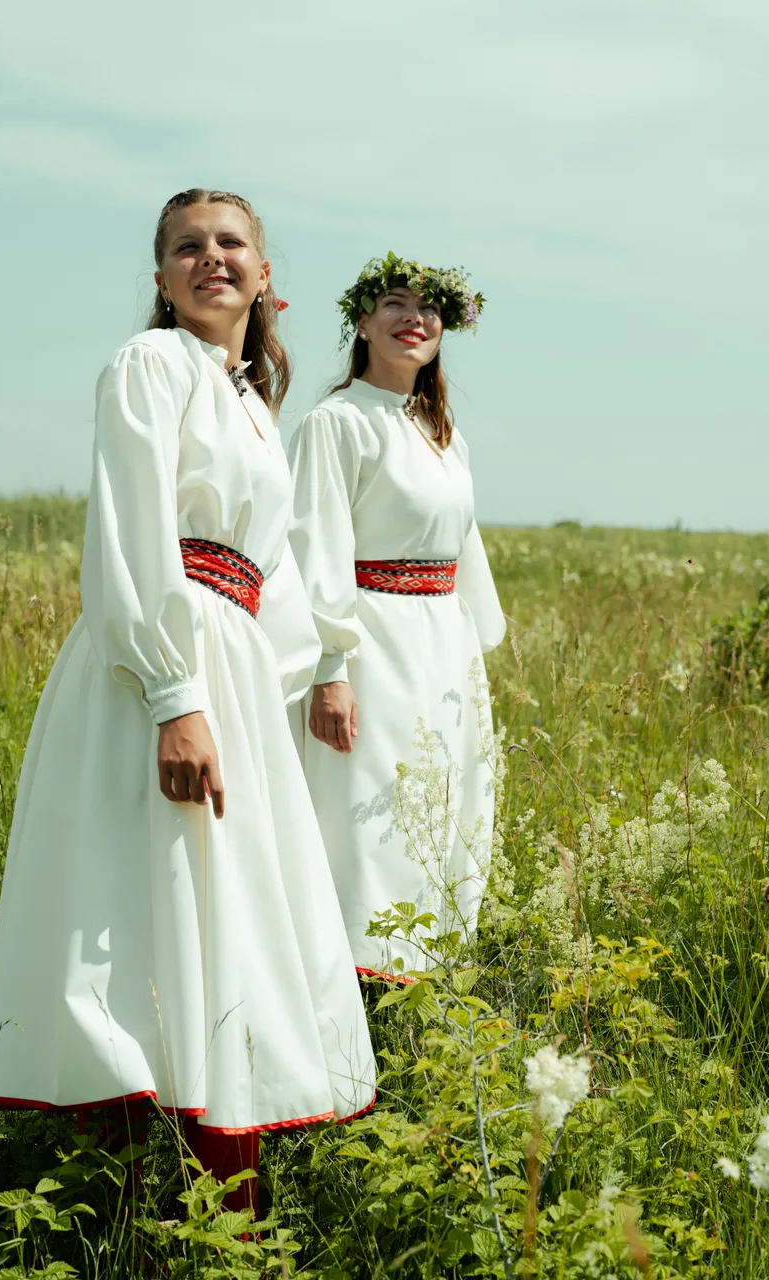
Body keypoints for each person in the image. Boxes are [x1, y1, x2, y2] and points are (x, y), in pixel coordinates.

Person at [0, 189, 376, 1216]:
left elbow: (270, 573)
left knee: (222, 909)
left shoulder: (248, 400)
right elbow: (133, 530)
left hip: (228, 664)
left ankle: (201, 1198)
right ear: (159, 278)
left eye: (231, 243)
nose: (212, 259)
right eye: (187, 247)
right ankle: (126, 1197)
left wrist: (303, 677)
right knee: (140, 903)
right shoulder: (151, 366)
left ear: (265, 271)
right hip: (161, 663)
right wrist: (173, 694)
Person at [288, 253, 506, 983]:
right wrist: (330, 669)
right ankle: (356, 982)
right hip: (372, 644)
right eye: (395, 303)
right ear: (362, 322)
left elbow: (462, 551)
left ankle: (431, 979)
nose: (415, 318)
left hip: (442, 646)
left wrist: (472, 655)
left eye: (430, 308)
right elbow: (315, 547)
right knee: (369, 815)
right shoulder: (337, 422)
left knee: (442, 811)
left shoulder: (442, 429)